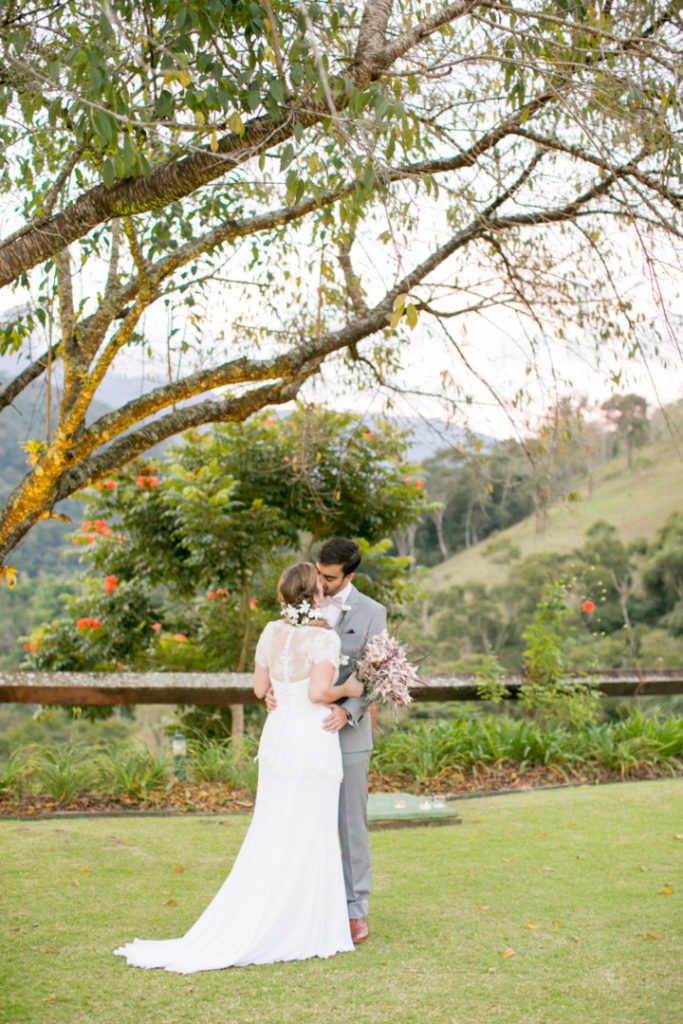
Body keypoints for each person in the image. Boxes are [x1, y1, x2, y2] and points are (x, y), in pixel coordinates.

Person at [114, 562, 364, 973]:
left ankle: (277, 915)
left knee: (274, 826)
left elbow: (260, 689)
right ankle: (305, 926)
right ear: (314, 596)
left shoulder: (271, 632)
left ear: (284, 596)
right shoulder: (323, 638)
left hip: (279, 739)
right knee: (309, 827)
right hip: (311, 740)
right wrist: (350, 688)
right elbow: (320, 692)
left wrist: (280, 692)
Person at [267, 538, 386, 945]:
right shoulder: (299, 605)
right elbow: (285, 660)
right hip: (302, 733)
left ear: (349, 576)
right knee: (301, 819)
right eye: (318, 572)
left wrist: (348, 710)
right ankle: (303, 904)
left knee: (350, 825)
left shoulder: (373, 613)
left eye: (329, 577)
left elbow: (376, 673)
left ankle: (355, 910)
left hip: (347, 736)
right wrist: (274, 691)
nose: (320, 581)